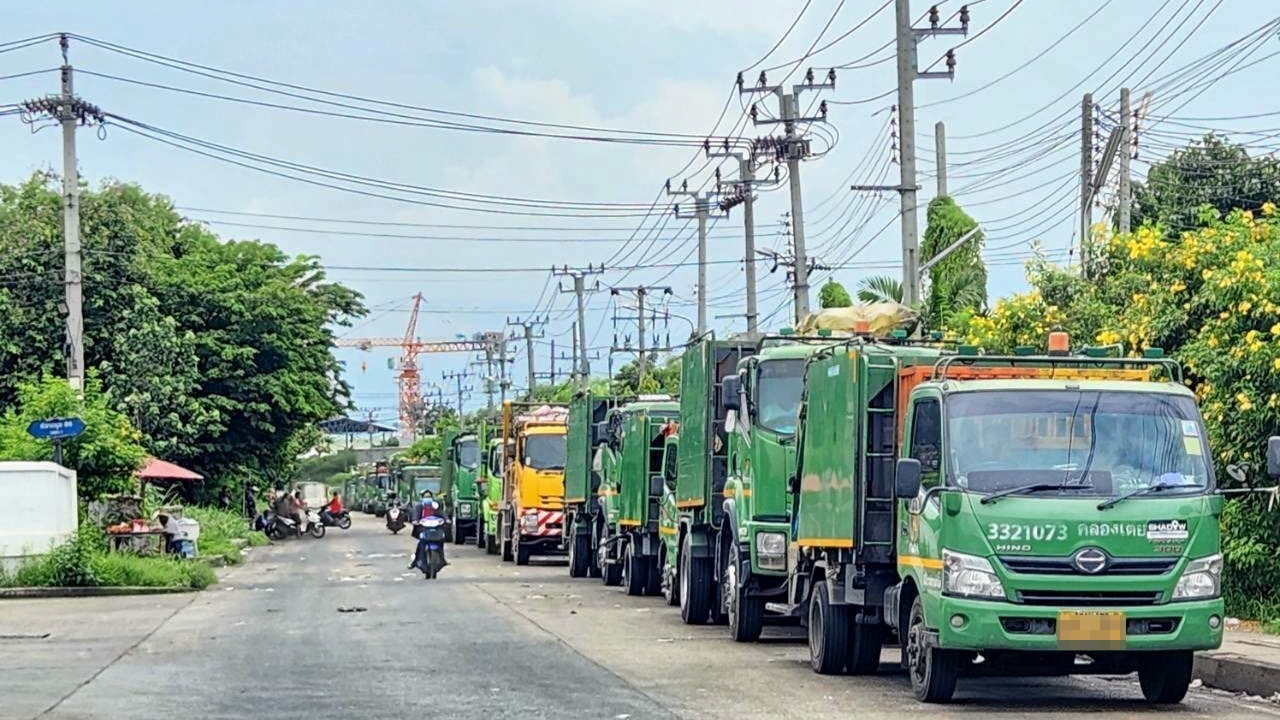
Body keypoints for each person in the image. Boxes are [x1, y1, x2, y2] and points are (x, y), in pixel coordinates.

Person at [409, 490, 447, 570]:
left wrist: (446, 519)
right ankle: (416, 561)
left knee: (441, 540)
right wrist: (415, 520)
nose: (428, 498)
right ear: (422, 498)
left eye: (429, 497)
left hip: (435, 528)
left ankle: (442, 559)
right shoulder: (419, 506)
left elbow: (441, 513)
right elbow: (415, 515)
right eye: (426, 497)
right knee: (421, 544)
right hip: (423, 528)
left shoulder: (435, 506)